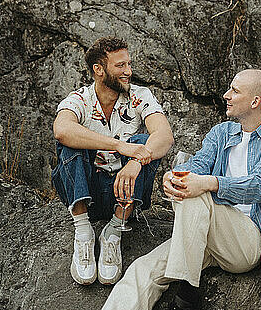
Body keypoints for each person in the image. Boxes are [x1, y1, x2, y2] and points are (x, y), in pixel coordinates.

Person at [17, 68, 261, 310]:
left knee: (197, 194)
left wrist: (206, 183)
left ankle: (188, 296)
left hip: (247, 241)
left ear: (255, 101)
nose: (226, 94)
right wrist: (177, 176)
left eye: (235, 90)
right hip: (204, 235)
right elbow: (197, 164)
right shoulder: (222, 133)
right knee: (142, 270)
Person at [50, 37, 174, 286]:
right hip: (86, 193)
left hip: (124, 193)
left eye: (128, 64)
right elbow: (61, 130)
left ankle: (114, 232)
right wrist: (119, 145)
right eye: (120, 66)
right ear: (99, 69)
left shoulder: (140, 95)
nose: (128, 71)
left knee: (145, 141)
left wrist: (136, 161)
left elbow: (164, 136)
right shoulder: (80, 99)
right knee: (71, 142)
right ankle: (84, 233)